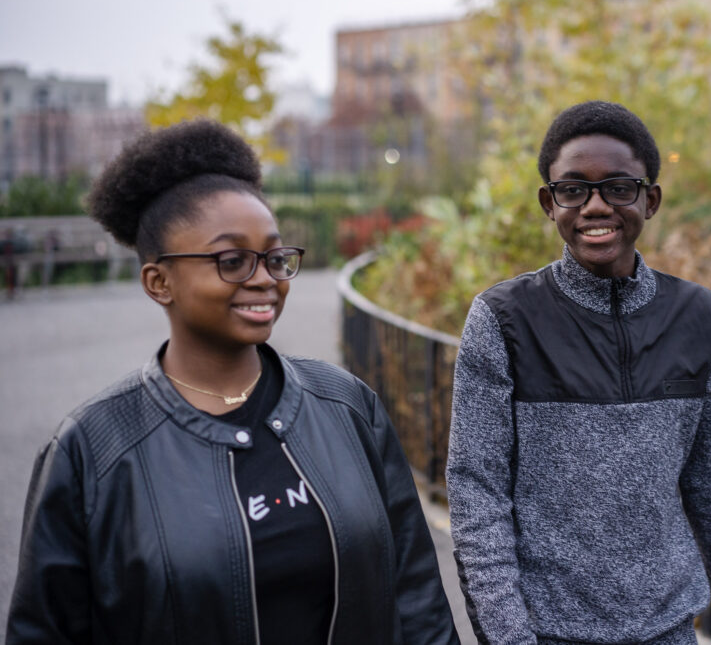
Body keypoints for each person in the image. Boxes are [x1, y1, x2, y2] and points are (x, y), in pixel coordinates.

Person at [6, 120, 458, 644]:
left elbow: (416, 593)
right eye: (232, 260)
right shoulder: (93, 450)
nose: (264, 277)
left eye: (273, 256)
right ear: (159, 282)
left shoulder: (346, 404)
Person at [446, 101, 711, 645]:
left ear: (651, 199)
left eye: (618, 187)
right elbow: (477, 498)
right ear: (550, 204)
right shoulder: (503, 319)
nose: (596, 206)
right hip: (544, 635)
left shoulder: (702, 319)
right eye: (574, 189)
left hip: (670, 631)